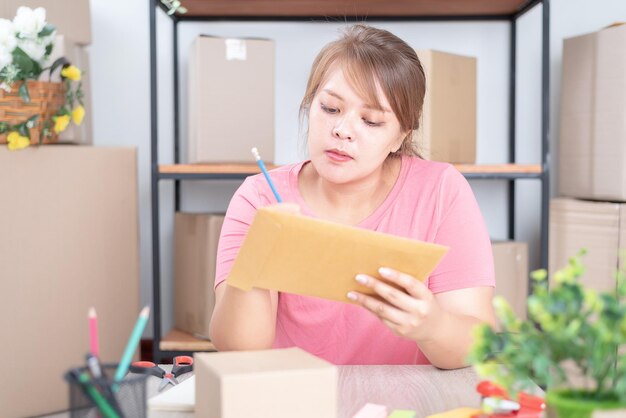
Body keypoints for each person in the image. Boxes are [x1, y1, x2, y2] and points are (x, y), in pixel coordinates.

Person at [209, 24, 496, 368]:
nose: (342, 130)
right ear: (309, 105)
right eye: (330, 108)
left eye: (371, 121)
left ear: (400, 136)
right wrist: (258, 257)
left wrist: (431, 326)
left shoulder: (440, 191)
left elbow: (479, 344)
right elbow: (240, 350)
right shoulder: (259, 196)